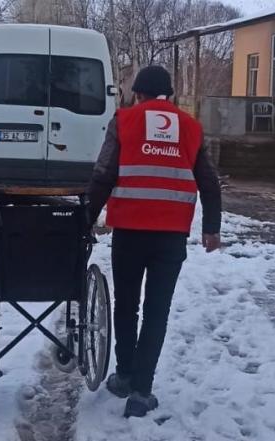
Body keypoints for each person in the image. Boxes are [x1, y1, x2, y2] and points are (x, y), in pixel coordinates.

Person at [87, 65, 222, 419]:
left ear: (138, 94)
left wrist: (85, 220)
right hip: (171, 236)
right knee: (156, 311)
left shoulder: (123, 121)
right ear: (170, 95)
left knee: (126, 304)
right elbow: (209, 181)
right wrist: (212, 227)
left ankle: (124, 375)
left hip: (129, 232)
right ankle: (141, 391)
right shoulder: (191, 127)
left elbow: (103, 175)